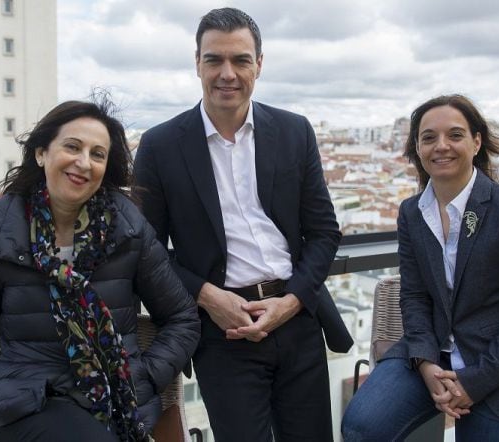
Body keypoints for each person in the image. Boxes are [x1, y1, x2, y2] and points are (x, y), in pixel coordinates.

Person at [133, 7, 352, 441]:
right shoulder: (160, 146)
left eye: (240, 60)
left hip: (296, 317)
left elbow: (324, 233)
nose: (227, 73)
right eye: (214, 59)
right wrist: (209, 297)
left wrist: (290, 302)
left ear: (259, 65)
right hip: (222, 332)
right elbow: (147, 251)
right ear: (197, 63)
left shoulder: (293, 132)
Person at [0, 97, 200, 442]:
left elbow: (182, 317)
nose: (83, 163)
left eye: (97, 154)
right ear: (41, 153)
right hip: (33, 404)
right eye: (72, 147)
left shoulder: (127, 228)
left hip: (119, 402)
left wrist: (140, 376)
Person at [341, 94, 499, 441]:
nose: (441, 146)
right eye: (428, 137)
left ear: (476, 141)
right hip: (431, 348)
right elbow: (414, 295)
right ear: (417, 149)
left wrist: (475, 381)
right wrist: (424, 364)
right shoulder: (412, 212)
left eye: (455, 135)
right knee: (361, 427)